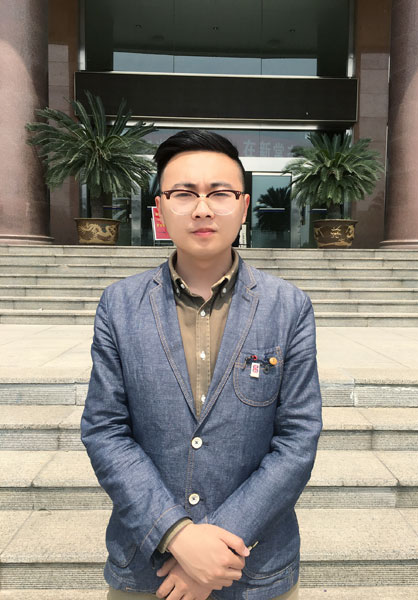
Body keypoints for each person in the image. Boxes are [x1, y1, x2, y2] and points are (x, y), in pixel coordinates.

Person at [81, 129, 322, 600]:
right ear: (160, 207)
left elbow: (297, 438)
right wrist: (177, 535)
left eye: (220, 193)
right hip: (149, 572)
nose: (203, 208)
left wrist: (218, 544)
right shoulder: (120, 305)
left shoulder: (288, 306)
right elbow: (105, 431)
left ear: (244, 206)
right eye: (184, 193)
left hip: (254, 571)